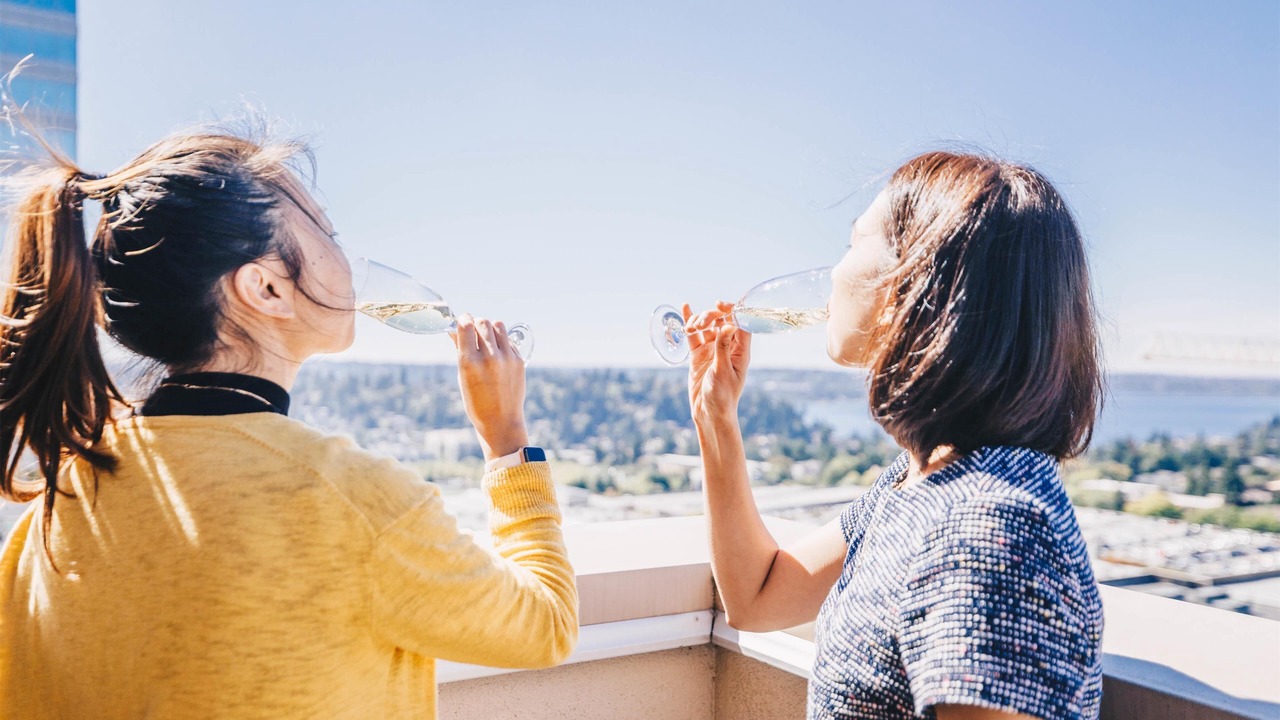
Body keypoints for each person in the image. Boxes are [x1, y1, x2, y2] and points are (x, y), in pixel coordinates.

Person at [0, 126, 577, 719]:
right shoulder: (354, 504)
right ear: (267, 288)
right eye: (327, 232)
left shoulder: (60, 502)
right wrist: (506, 439)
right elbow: (547, 626)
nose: (348, 256)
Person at [683, 151, 1105, 720]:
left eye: (854, 241)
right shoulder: (917, 488)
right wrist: (716, 420)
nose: (832, 273)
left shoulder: (990, 527)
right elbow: (757, 595)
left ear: (921, 278)